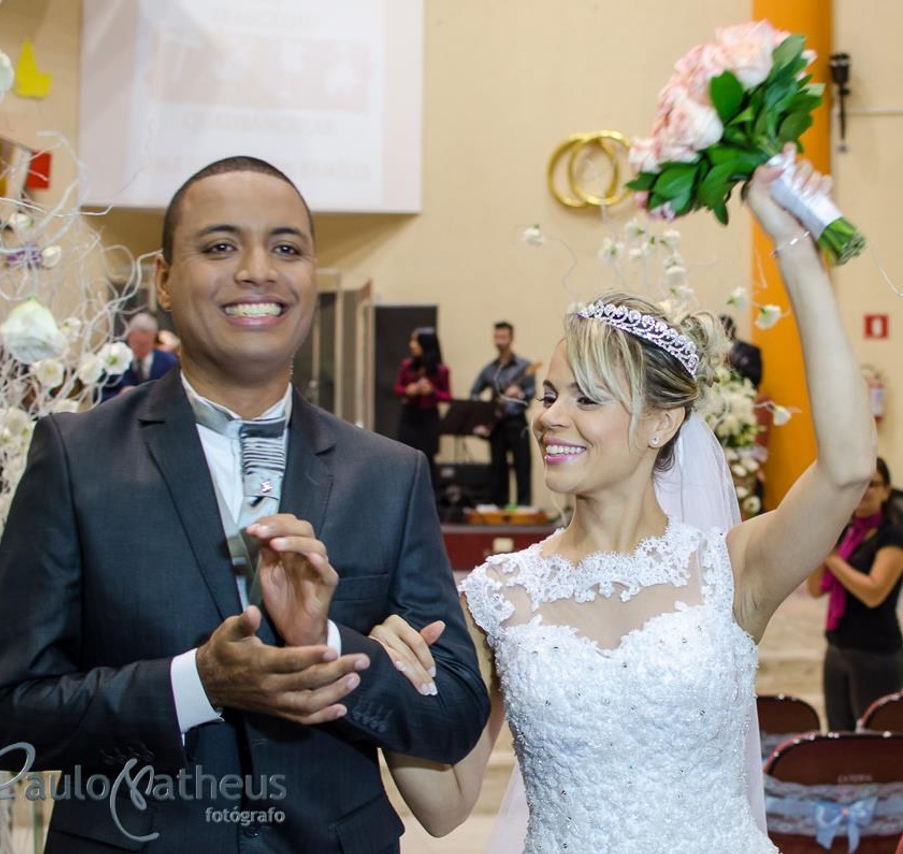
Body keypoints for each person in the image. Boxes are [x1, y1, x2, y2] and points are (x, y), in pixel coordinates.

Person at [0, 156, 488, 853]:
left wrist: (328, 645)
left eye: (286, 248)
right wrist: (196, 686)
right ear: (162, 279)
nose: (257, 270)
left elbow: (453, 716)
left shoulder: (388, 475)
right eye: (219, 246)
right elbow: (4, 719)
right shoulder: (76, 456)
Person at [371, 148, 876, 850]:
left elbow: (848, 469)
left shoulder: (732, 572)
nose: (550, 416)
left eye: (585, 398)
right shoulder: (496, 595)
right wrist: (384, 691)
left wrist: (794, 245)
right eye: (548, 395)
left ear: (661, 423)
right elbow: (446, 806)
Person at [805, 457, 903, 731]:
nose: (864, 492)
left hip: (875, 654)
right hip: (838, 647)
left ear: (887, 491)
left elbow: (873, 592)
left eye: (872, 485)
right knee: (839, 733)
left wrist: (832, 558)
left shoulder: (893, 537)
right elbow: (816, 590)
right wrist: (821, 545)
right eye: (858, 485)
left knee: (870, 739)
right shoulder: (845, 533)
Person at [470, 321, 536, 506]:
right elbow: (474, 392)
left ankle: (524, 507)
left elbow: (530, 395)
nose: (500, 341)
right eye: (497, 337)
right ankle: (499, 507)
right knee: (497, 467)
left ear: (511, 339)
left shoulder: (524, 366)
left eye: (503, 337)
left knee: (522, 465)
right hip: (496, 424)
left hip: (516, 421)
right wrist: (485, 411)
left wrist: (519, 393)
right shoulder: (489, 369)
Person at [395, 326, 451, 482]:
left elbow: (447, 396)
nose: (412, 345)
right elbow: (397, 388)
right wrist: (408, 390)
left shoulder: (441, 370)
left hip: (429, 418)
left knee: (428, 460)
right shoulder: (407, 365)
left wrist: (432, 391)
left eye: (416, 341)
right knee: (405, 457)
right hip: (409, 416)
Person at [100, 311, 179, 400]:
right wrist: (120, 396)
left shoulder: (169, 363)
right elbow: (99, 396)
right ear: (129, 336)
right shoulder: (113, 359)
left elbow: (176, 397)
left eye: (146, 344)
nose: (141, 348)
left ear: (154, 339)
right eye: (137, 343)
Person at [721, 313, 763, 388]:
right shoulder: (710, 352)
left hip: (741, 394)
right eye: (720, 329)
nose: (725, 331)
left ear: (733, 328)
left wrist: (734, 363)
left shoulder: (751, 351)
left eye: (727, 327)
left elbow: (756, 378)